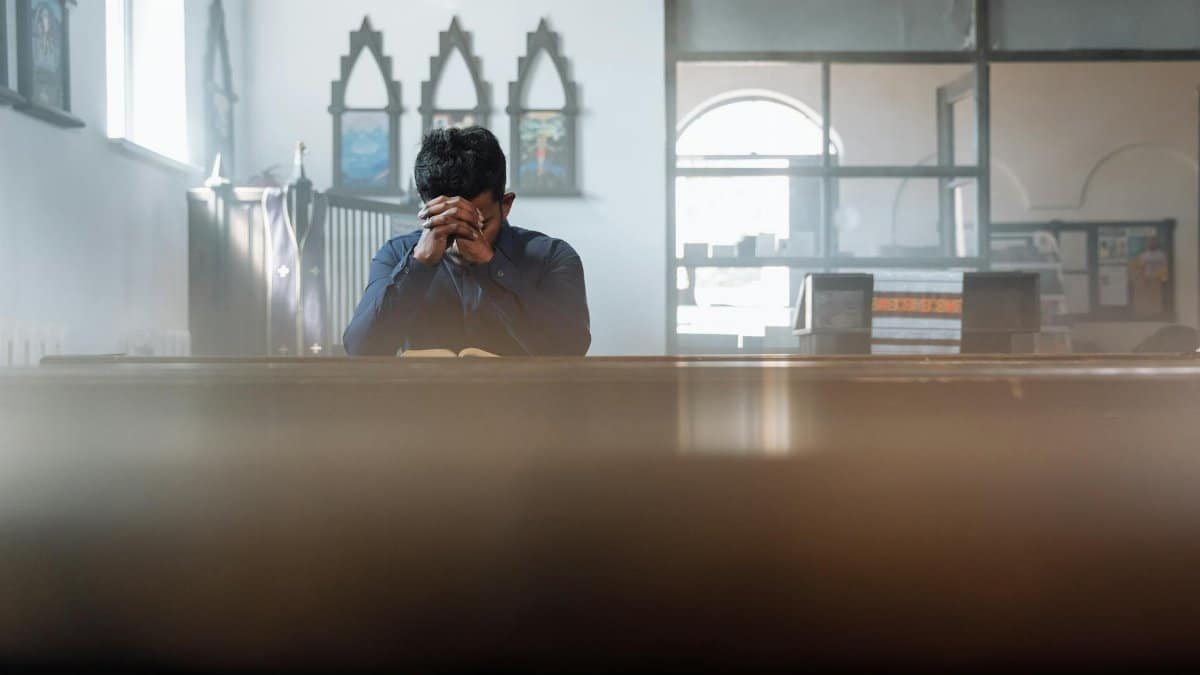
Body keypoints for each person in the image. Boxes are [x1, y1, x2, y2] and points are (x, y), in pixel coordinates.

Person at [343, 126, 591, 356]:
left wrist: (490, 264)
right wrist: (419, 263)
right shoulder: (397, 254)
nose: (460, 238)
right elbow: (361, 349)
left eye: (478, 223)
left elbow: (571, 348)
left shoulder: (552, 256)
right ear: (427, 210)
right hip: (423, 403)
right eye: (446, 222)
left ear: (505, 205)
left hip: (522, 402)